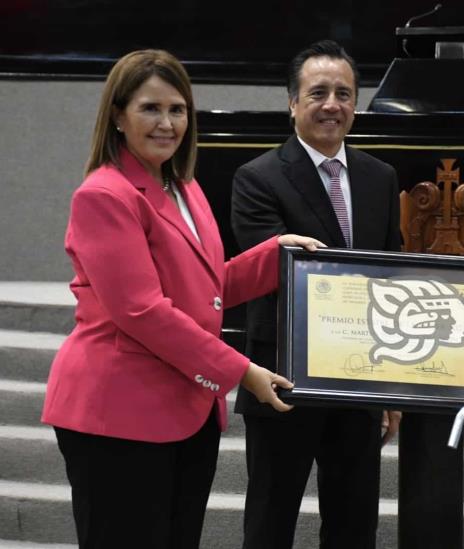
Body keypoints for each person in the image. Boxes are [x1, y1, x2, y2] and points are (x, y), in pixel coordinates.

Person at [40, 49, 322, 549]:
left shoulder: (183, 186)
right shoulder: (104, 195)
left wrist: (273, 255)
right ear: (118, 118)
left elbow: (205, 293)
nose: (167, 123)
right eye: (151, 108)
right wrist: (243, 372)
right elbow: (143, 312)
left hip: (185, 411)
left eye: (178, 109)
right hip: (118, 415)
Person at [230, 39, 402, 549]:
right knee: (270, 517)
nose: (333, 105)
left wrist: (391, 384)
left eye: (345, 94)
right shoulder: (257, 177)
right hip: (283, 377)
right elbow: (272, 271)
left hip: (361, 380)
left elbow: (388, 281)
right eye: (319, 92)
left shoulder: (380, 177)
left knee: (354, 523)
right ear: (292, 102)